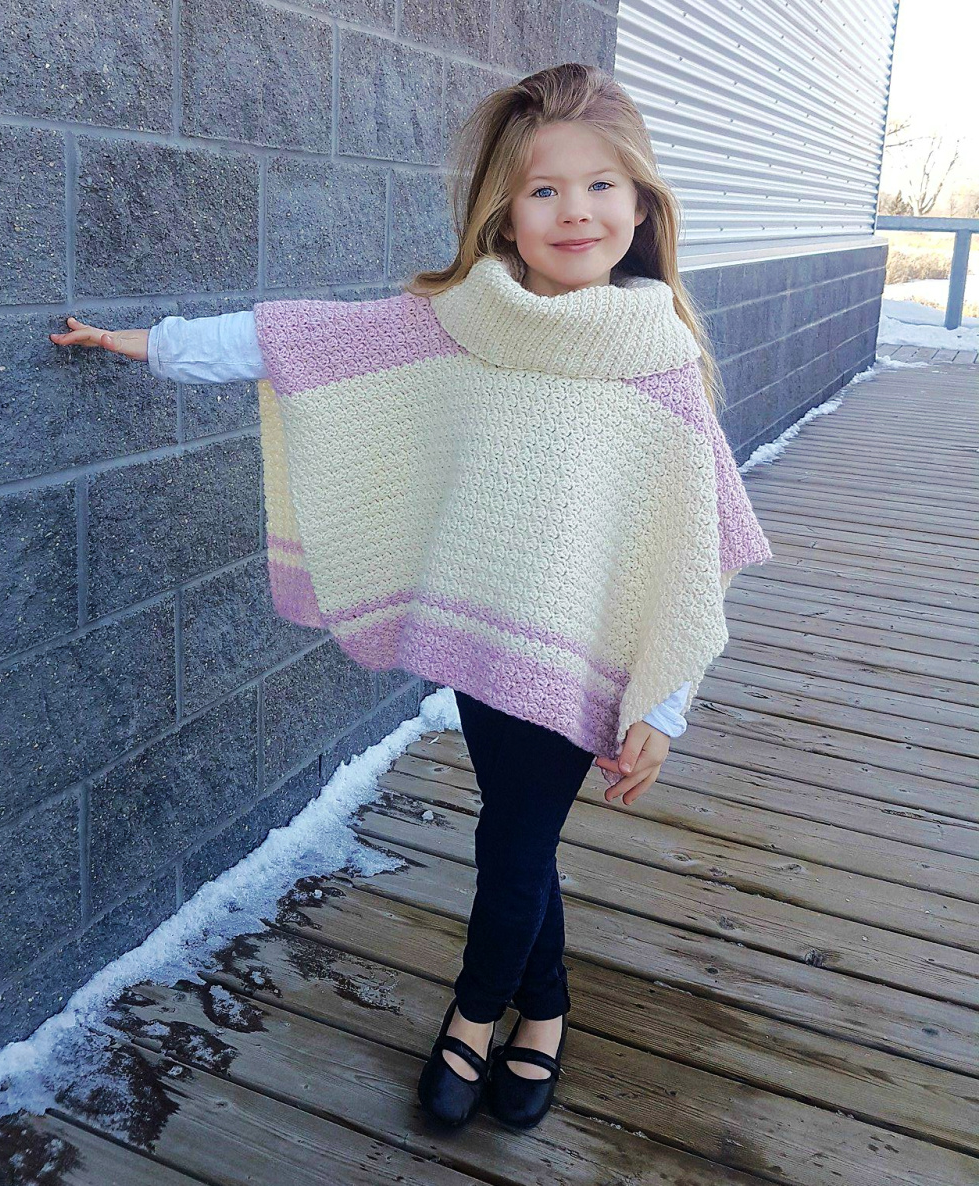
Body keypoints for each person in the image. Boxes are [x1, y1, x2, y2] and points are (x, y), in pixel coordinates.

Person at [49, 62, 772, 1133]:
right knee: (518, 834)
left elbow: (691, 549)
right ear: (505, 213)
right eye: (543, 191)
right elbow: (294, 340)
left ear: (643, 203)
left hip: (585, 654)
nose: (576, 211)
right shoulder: (461, 323)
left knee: (514, 844)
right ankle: (549, 1008)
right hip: (485, 646)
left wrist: (659, 706)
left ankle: (477, 1017)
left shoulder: (658, 364)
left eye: (602, 187)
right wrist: (151, 343)